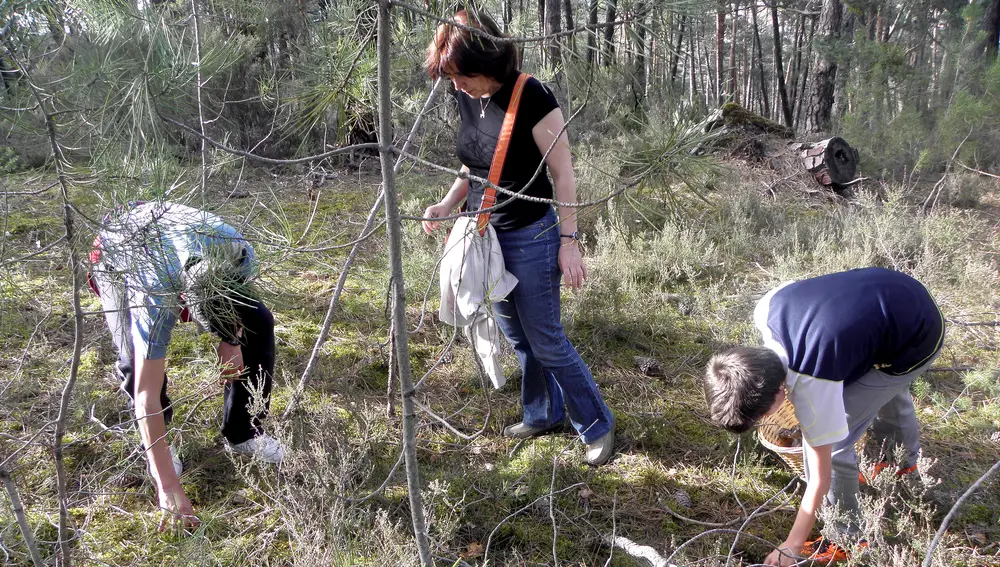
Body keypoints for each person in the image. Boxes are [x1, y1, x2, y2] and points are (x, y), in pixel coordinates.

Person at [421, 8, 615, 466]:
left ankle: (596, 425)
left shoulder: (533, 96)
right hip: (485, 236)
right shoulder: (466, 94)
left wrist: (570, 241)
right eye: (449, 77)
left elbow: (563, 172)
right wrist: (448, 204)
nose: (455, 86)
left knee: (546, 339)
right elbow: (475, 164)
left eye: (460, 75)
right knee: (519, 338)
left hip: (531, 236)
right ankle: (542, 413)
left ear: (485, 62)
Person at [702, 267, 945, 565]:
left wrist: (792, 544)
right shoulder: (765, 309)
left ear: (780, 392)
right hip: (896, 289)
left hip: (920, 336)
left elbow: (820, 476)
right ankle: (896, 463)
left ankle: (847, 537)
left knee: (842, 442)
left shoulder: (813, 384)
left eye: (764, 414)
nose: (767, 418)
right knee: (879, 391)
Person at [89, 201, 285, 530]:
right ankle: (158, 447)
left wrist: (232, 339)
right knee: (136, 362)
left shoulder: (236, 250)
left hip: (182, 248)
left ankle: (242, 432)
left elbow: (235, 300)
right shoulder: (152, 294)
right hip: (119, 253)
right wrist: (169, 488)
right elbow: (145, 394)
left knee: (259, 321)